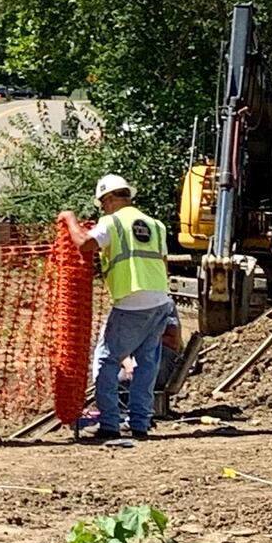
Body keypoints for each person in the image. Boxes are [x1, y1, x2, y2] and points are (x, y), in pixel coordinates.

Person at [60, 174, 174, 443]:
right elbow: (164, 263)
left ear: (110, 199)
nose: (103, 208)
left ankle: (109, 422)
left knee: (105, 360)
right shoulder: (155, 225)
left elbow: (85, 244)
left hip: (132, 301)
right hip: (160, 301)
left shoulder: (112, 222)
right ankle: (140, 423)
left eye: (103, 203)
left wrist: (69, 219)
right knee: (147, 363)